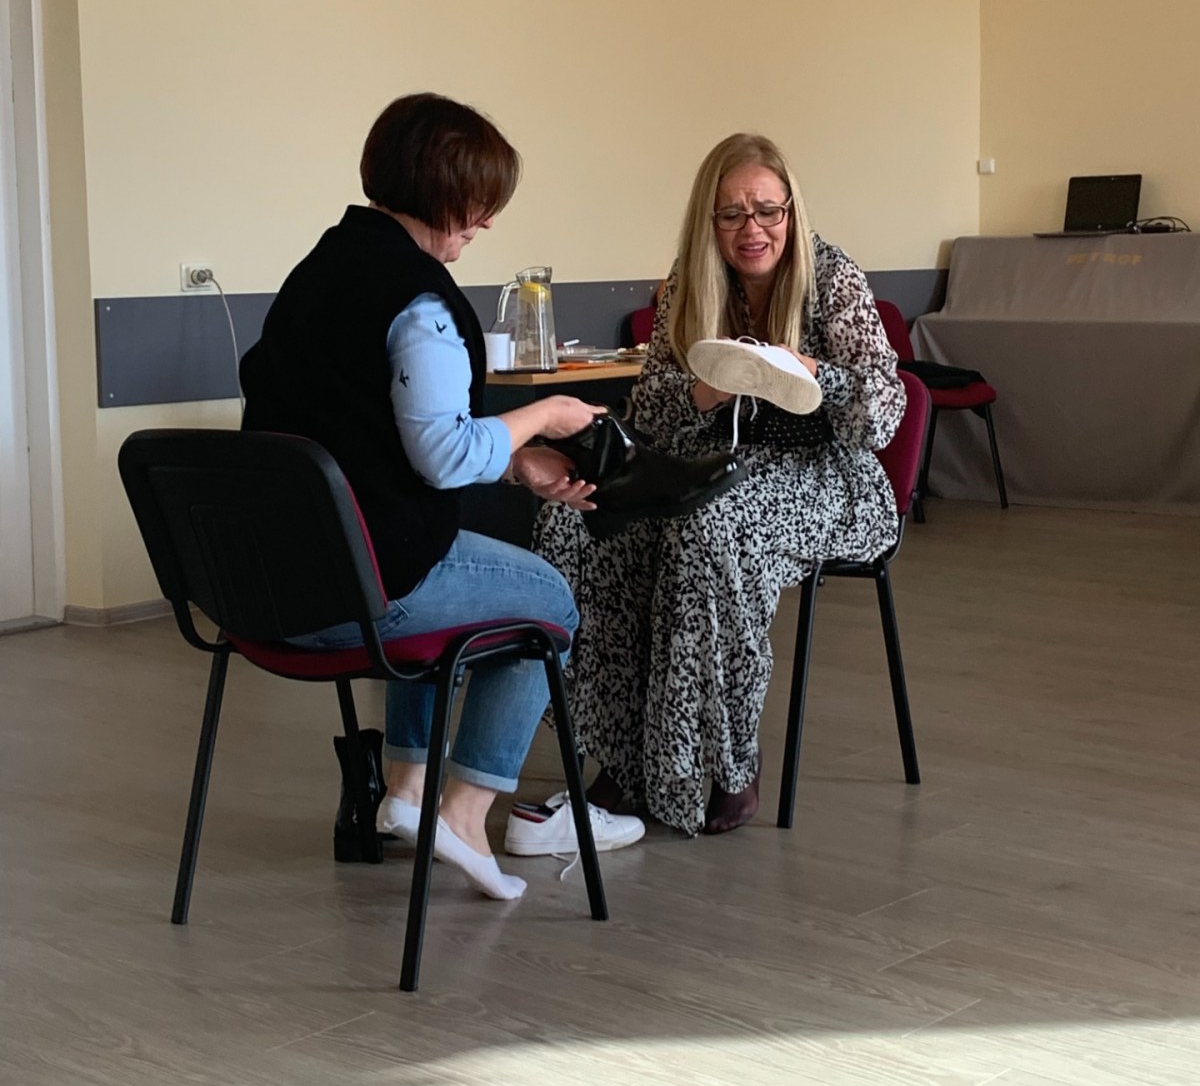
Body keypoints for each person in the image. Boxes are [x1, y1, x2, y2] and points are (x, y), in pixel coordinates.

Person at [239, 92, 644, 902]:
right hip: (353, 593)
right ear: (445, 192)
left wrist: (519, 464)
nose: (487, 221)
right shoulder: (419, 302)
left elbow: (376, 435)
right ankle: (462, 814)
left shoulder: (319, 272)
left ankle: (408, 791)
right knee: (549, 602)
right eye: (481, 202)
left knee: (448, 582)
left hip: (262, 586)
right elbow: (446, 455)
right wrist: (545, 416)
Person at [534, 132, 905, 837]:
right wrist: (706, 391)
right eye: (731, 214)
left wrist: (813, 374)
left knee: (707, 526)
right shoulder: (691, 278)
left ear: (792, 210)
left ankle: (725, 761)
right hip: (713, 463)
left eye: (767, 211)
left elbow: (885, 412)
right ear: (709, 219)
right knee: (580, 521)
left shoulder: (832, 277)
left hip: (828, 478)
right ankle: (625, 754)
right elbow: (650, 409)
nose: (751, 229)